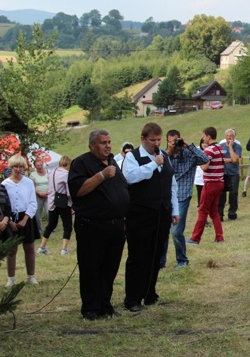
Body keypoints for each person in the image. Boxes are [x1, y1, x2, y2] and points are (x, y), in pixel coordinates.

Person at [67, 129, 129, 320]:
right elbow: (78, 190)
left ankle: (105, 304)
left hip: (116, 226)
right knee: (91, 268)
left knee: (110, 267)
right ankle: (90, 308)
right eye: (103, 142)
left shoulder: (112, 162)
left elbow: (122, 188)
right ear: (92, 145)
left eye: (109, 142)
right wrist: (101, 175)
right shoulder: (81, 163)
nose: (108, 146)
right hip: (92, 226)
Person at [122, 122, 179, 312]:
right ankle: (132, 298)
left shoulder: (163, 156)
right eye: (152, 140)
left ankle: (150, 294)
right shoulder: (132, 157)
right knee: (138, 256)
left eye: (158, 140)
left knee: (156, 254)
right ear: (143, 139)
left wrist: (174, 209)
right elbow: (131, 177)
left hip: (161, 212)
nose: (156, 143)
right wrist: (153, 164)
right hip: (140, 214)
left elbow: (172, 184)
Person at [160, 129, 208, 269]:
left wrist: (187, 145)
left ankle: (182, 259)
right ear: (167, 141)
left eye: (177, 140)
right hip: (165, 196)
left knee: (176, 231)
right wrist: (169, 151)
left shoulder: (188, 153)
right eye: (171, 141)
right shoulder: (163, 154)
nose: (175, 143)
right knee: (163, 231)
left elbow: (205, 159)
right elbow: (156, 166)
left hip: (182, 195)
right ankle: (161, 261)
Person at [3, 155, 38, 287]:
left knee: (29, 247)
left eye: (20, 167)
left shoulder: (28, 182)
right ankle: (11, 278)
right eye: (15, 167)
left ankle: (31, 276)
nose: (18, 169)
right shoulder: (5, 184)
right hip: (10, 217)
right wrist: (9, 221)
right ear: (11, 168)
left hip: (26, 217)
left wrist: (25, 219)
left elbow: (33, 202)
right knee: (12, 249)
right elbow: (4, 204)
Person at [187, 127, 225, 244]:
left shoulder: (209, 150)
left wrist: (198, 162)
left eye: (204, 136)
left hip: (210, 183)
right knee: (214, 211)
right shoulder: (220, 148)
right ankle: (219, 236)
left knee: (203, 210)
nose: (203, 138)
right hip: (220, 182)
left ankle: (195, 238)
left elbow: (204, 167)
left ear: (208, 136)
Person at [37, 155, 73, 256]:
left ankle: (42, 246)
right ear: (67, 164)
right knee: (68, 225)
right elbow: (69, 191)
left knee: (51, 225)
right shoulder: (66, 174)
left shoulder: (51, 173)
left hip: (52, 202)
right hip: (63, 202)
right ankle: (64, 249)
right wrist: (72, 201)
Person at [218, 128, 242, 221]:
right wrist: (230, 159)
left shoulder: (237, 146)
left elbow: (235, 160)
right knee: (221, 194)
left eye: (231, 136)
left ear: (234, 137)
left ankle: (232, 213)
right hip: (222, 173)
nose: (229, 138)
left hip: (233, 173)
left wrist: (231, 147)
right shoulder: (221, 146)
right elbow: (220, 159)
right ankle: (220, 214)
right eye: (227, 136)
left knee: (233, 193)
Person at [29, 158, 48, 234]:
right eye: (38, 165)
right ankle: (39, 230)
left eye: (40, 165)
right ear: (35, 166)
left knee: (49, 212)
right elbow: (32, 186)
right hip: (38, 195)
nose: (39, 166)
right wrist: (39, 193)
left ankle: (50, 227)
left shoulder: (48, 172)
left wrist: (48, 192)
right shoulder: (32, 175)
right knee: (37, 213)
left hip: (47, 195)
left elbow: (51, 183)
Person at [194, 138, 206, 207]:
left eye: (206, 143)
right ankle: (200, 205)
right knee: (200, 192)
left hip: (207, 177)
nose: (204, 144)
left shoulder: (210, 151)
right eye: (203, 143)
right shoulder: (198, 151)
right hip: (199, 177)